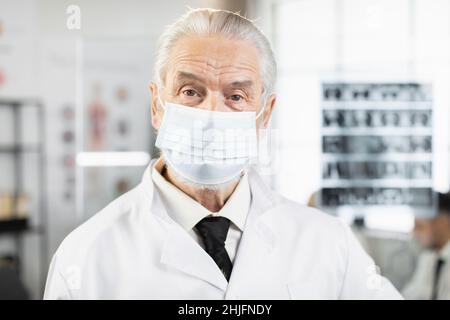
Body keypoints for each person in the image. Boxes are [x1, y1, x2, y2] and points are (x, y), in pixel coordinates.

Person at [44, 8, 402, 299]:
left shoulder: (327, 243)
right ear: (156, 104)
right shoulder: (86, 257)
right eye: (190, 91)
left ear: (264, 115)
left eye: (235, 96)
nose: (211, 115)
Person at [402, 192, 450, 299]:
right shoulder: (428, 257)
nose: (413, 233)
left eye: (419, 226)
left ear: (442, 223)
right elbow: (409, 295)